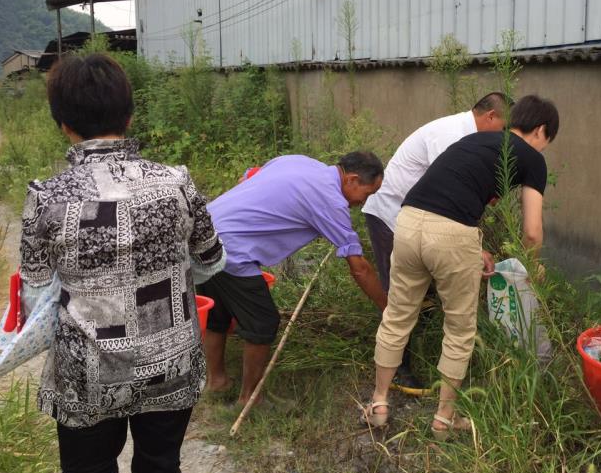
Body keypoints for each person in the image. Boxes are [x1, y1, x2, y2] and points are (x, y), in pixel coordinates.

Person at [19, 53, 225, 473]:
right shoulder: (176, 183)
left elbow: (35, 296)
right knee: (158, 470)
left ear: (62, 123)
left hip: (85, 370)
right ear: (129, 115)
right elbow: (212, 262)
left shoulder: (46, 198)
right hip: (169, 364)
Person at [363, 95, 559, 438]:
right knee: (459, 328)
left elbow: (456, 193)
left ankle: (378, 403)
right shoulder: (532, 159)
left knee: (397, 316)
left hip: (407, 222)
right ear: (541, 130)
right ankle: (444, 418)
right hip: (450, 234)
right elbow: (531, 232)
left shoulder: (473, 140)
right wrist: (532, 266)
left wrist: (475, 246)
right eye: (547, 141)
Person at [201, 152, 388, 406]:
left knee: (218, 313)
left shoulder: (300, 162)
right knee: (263, 322)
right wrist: (388, 310)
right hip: (232, 249)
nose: (363, 202)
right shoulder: (330, 200)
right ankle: (250, 400)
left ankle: (217, 382)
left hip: (203, 234)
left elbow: (249, 176)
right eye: (367, 194)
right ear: (352, 179)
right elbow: (360, 269)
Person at [362, 92, 509, 395]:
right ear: (491, 116)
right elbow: (448, 197)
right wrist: (471, 247)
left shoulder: (467, 136)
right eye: (503, 128)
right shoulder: (453, 135)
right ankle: (398, 371)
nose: (503, 138)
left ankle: (415, 355)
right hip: (393, 217)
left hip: (418, 221)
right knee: (400, 297)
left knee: (422, 293)